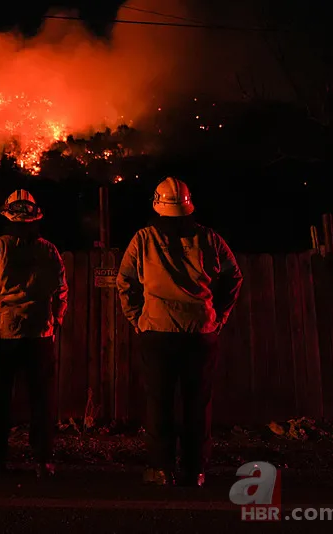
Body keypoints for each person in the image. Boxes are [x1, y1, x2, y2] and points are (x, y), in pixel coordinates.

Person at [116, 177, 243, 487]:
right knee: (197, 403)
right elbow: (233, 277)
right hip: (200, 333)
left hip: (157, 333)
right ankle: (195, 471)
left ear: (158, 207)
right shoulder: (209, 239)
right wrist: (219, 316)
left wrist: (138, 320)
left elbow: (125, 282)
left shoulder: (143, 240)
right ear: (189, 207)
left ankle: (161, 469)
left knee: (159, 402)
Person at [0, 189, 68, 478]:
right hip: (39, 334)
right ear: (36, 220)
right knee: (42, 400)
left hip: (3, 333)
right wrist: (55, 324)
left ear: (7, 218)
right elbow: (61, 291)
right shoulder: (49, 251)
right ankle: (43, 460)